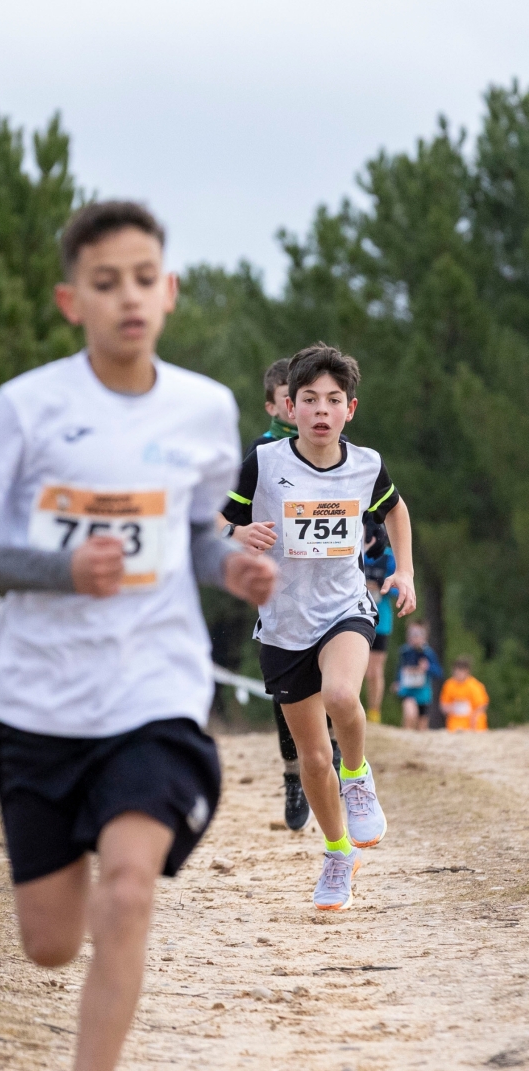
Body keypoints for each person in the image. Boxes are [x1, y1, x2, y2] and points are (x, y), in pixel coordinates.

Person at [0, 201, 276, 1071]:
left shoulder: (203, 408)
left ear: (171, 291)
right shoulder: (27, 407)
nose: (129, 297)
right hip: (37, 696)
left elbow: (196, 532)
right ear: (69, 299)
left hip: (151, 688)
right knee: (48, 942)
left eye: (144, 280)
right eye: (105, 282)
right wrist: (62, 570)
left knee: (128, 890)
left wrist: (227, 565)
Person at [220, 342, 416, 910]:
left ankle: (357, 775)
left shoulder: (367, 465)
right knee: (310, 758)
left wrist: (403, 571)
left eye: (334, 400)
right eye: (310, 399)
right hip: (282, 624)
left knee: (340, 694)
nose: (322, 410)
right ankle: (336, 855)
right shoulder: (265, 463)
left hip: (345, 608)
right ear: (290, 406)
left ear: (349, 409)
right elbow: (212, 520)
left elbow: (396, 510)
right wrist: (237, 536)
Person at [220, 357, 340, 832]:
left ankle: (330, 762)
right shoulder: (263, 454)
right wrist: (239, 537)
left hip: (333, 587)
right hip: (281, 586)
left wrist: (375, 548)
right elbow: (227, 515)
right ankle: (295, 772)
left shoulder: (335, 446)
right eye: (298, 399)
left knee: (334, 680)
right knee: (287, 682)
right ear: (278, 404)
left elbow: (359, 503)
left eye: (318, 398)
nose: (306, 409)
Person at [363, 520, 396, 723]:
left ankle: (374, 711)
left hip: (381, 619)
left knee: (374, 671)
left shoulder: (389, 557)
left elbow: (398, 587)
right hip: (356, 616)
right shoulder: (354, 552)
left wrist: (380, 587)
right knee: (357, 670)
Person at [395, 621, 444, 731]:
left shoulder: (429, 653)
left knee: (422, 726)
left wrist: (428, 667)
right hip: (408, 691)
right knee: (410, 715)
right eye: (412, 633)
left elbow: (439, 673)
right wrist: (397, 682)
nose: (415, 637)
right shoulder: (405, 652)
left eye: (418, 634)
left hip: (423, 694)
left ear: (425, 636)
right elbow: (399, 668)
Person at [440, 657, 489, 732]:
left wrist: (473, 716)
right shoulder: (449, 685)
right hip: (456, 719)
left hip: (472, 718)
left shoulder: (474, 685)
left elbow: (482, 704)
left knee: (479, 718)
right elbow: (443, 705)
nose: (458, 674)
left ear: (466, 671)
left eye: (460, 671)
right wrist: (453, 707)